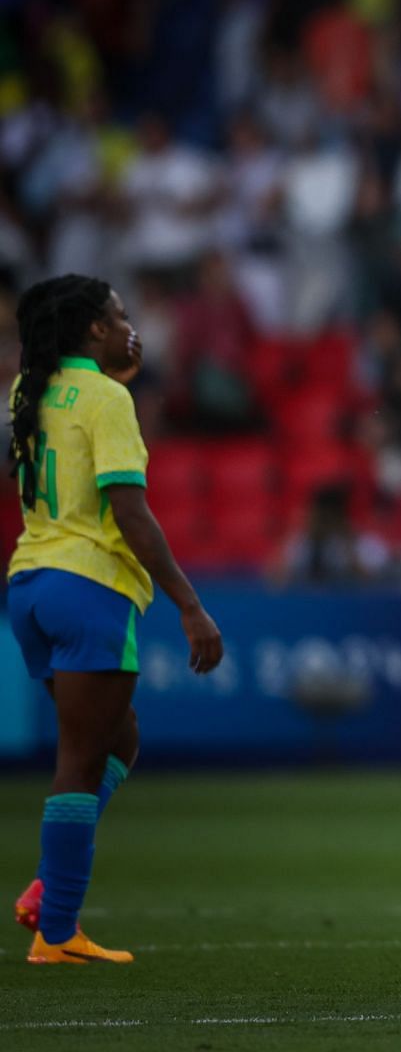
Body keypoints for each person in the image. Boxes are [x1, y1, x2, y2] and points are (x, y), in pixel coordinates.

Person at [8, 274, 224, 964]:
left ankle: (51, 887)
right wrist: (190, 605)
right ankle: (59, 931)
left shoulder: (29, 389)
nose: (132, 326)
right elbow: (129, 509)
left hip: (30, 584)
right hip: (89, 586)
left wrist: (113, 378)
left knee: (116, 740)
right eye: (120, 315)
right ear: (94, 330)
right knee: (81, 757)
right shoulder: (106, 398)